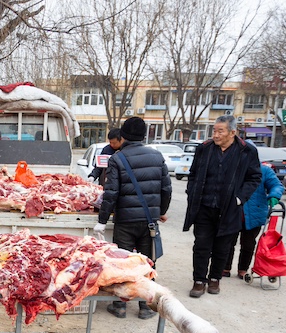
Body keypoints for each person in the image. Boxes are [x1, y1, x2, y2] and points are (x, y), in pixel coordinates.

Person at [94, 116, 172, 319]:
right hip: (149, 221)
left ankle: (120, 306)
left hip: (125, 221)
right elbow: (166, 188)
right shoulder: (157, 156)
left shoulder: (117, 158)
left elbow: (111, 193)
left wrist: (102, 221)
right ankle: (146, 306)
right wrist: (160, 211)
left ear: (124, 135)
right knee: (147, 263)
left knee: (124, 263)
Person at [183, 115, 262, 298]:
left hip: (229, 209)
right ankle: (199, 280)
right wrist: (192, 192)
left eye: (220, 131)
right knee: (201, 244)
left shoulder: (246, 151)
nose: (216, 135)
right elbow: (193, 174)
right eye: (214, 130)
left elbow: (254, 177)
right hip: (204, 206)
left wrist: (240, 198)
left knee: (222, 246)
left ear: (232, 132)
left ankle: (215, 278)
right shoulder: (205, 149)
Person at [224, 163, 284, 279]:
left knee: (248, 243)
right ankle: (225, 267)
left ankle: (243, 269)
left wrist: (274, 195)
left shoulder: (264, 170)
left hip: (254, 212)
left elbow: (276, 185)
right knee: (228, 241)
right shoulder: (232, 166)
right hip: (233, 211)